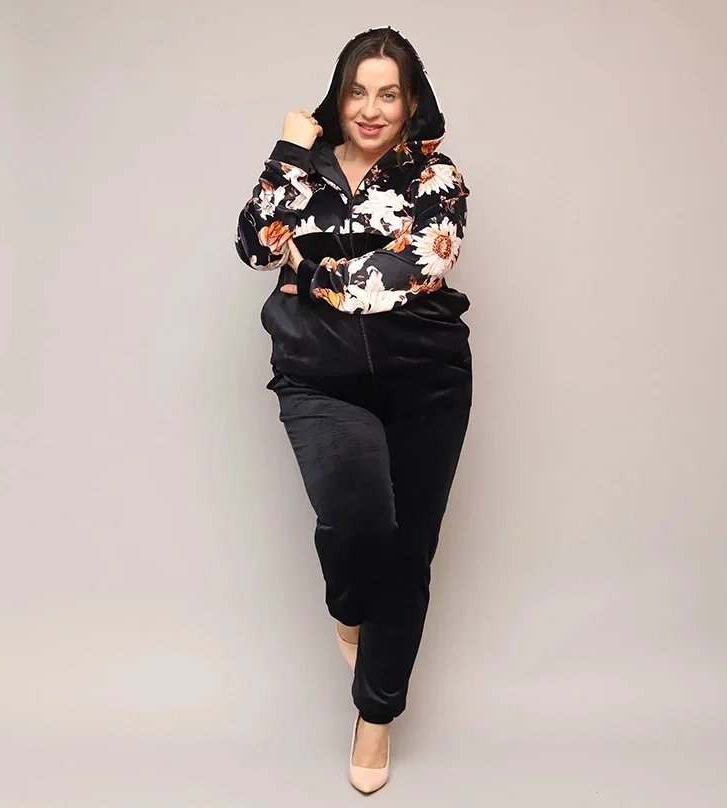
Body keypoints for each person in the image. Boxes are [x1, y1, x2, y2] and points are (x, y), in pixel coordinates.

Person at [234, 26, 472, 794]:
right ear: (338, 97)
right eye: (357, 92)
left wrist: (306, 269)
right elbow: (253, 246)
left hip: (426, 380)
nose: (371, 109)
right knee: (355, 517)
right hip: (319, 377)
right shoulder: (303, 168)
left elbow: (407, 274)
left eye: (388, 94)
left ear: (410, 102)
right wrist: (286, 153)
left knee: (408, 554)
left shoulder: (437, 179)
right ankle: (348, 611)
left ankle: (375, 715)